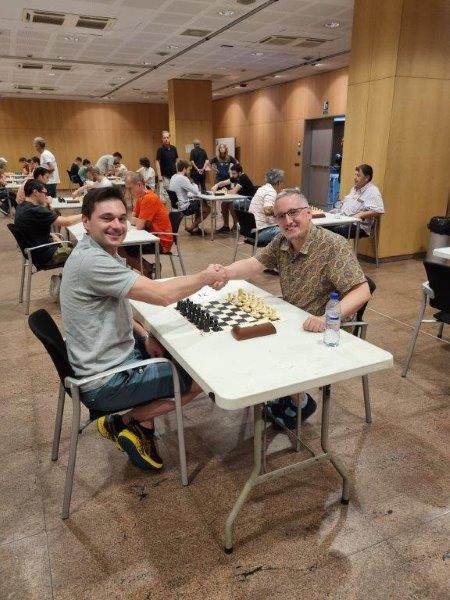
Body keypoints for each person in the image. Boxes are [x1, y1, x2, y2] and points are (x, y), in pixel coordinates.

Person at [60, 186, 228, 470]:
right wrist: (204, 277)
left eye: (121, 218)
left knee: (170, 350)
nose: (117, 225)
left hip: (105, 358)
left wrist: (145, 335)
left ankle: (141, 428)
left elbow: (119, 305)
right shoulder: (92, 261)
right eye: (106, 218)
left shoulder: (98, 251)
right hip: (105, 381)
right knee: (204, 377)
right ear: (86, 222)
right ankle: (122, 422)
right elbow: (162, 295)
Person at [221, 189, 371, 429]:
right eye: (281, 216)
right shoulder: (282, 241)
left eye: (294, 213)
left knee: (265, 345)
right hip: (293, 318)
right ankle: (283, 393)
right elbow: (254, 264)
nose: (288, 221)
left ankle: (300, 401)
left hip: (327, 329)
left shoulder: (333, 245)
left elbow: (362, 291)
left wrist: (326, 318)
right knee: (248, 335)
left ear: (309, 213)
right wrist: (225, 273)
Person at [14, 179, 81, 269]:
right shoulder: (35, 210)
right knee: (84, 254)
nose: (46, 196)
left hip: (34, 252)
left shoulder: (21, 206)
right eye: (44, 193)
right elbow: (66, 222)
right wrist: (85, 215)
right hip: (45, 255)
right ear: (35, 192)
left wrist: (52, 236)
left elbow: (34, 228)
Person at [121, 171, 173, 278]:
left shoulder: (149, 198)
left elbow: (139, 225)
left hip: (161, 240)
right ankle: (149, 268)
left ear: (139, 184)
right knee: (122, 247)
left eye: (130, 188)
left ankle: (147, 271)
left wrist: (140, 221)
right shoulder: (141, 198)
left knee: (120, 249)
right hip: (151, 235)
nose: (128, 192)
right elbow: (131, 218)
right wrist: (140, 221)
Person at [329, 164, 384, 238]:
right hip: (343, 220)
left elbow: (379, 210)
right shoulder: (354, 189)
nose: (355, 178)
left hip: (358, 226)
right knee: (322, 226)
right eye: (355, 175)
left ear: (367, 178)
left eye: (358, 176)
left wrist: (360, 215)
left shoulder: (372, 191)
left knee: (332, 231)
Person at [169, 160, 210, 235]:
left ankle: (196, 228)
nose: (189, 171)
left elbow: (182, 191)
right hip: (184, 207)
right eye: (188, 169)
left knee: (199, 204)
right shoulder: (183, 178)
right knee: (207, 209)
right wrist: (193, 183)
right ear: (184, 169)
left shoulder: (173, 177)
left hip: (176, 205)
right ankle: (192, 227)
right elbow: (196, 191)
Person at [211, 164, 255, 233]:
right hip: (241, 198)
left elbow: (234, 191)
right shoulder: (236, 177)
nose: (232, 175)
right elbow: (225, 182)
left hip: (249, 200)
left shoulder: (243, 178)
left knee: (232, 203)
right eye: (232, 173)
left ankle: (236, 225)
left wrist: (224, 191)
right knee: (224, 203)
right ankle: (226, 226)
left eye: (234, 173)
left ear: (240, 173)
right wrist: (216, 185)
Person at [248, 168, 285, 244]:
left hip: (250, 231)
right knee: (290, 231)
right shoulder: (271, 191)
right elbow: (267, 211)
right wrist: (283, 211)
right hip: (260, 233)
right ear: (278, 182)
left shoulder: (262, 188)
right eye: (282, 181)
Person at [155, 131, 178, 203]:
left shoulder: (174, 148)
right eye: (164, 138)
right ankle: (164, 210)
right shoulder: (160, 149)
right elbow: (157, 162)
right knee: (163, 198)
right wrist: (159, 176)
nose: (166, 139)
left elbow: (176, 161)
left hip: (174, 176)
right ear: (162, 139)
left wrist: (178, 173)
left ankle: (173, 210)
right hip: (164, 177)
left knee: (174, 196)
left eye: (167, 137)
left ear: (169, 138)